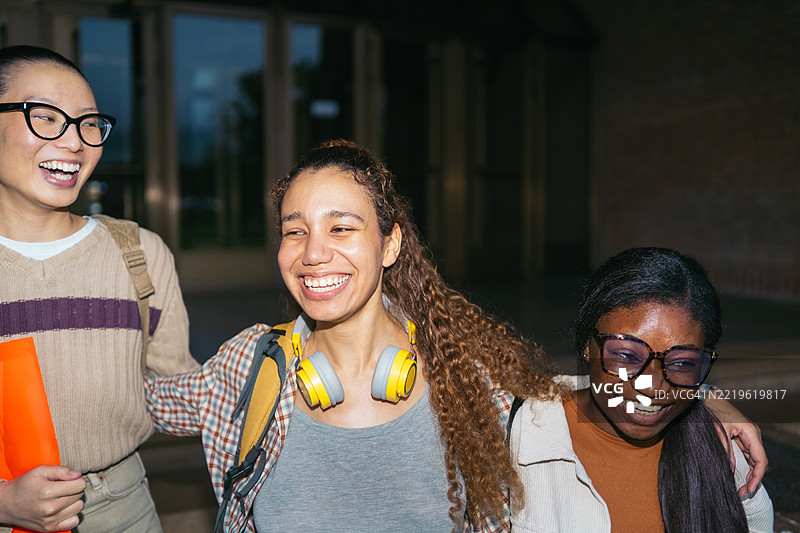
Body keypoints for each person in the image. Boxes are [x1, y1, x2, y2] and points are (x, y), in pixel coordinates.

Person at [146, 141, 768, 533]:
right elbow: (145, 401)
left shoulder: (465, 371)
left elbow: (577, 391)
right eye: (294, 230)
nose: (314, 253)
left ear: (389, 244)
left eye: (342, 227)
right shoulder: (247, 368)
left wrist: (696, 391)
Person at [0, 45, 198, 532]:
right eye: (45, 116)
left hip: (125, 506)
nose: (73, 141)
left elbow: (176, 391)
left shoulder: (140, 254)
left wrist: (275, 371)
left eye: (89, 123)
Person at [509, 247, 773, 532]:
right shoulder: (516, 438)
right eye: (626, 356)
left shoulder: (721, 449)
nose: (653, 386)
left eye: (682, 362)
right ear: (587, 344)